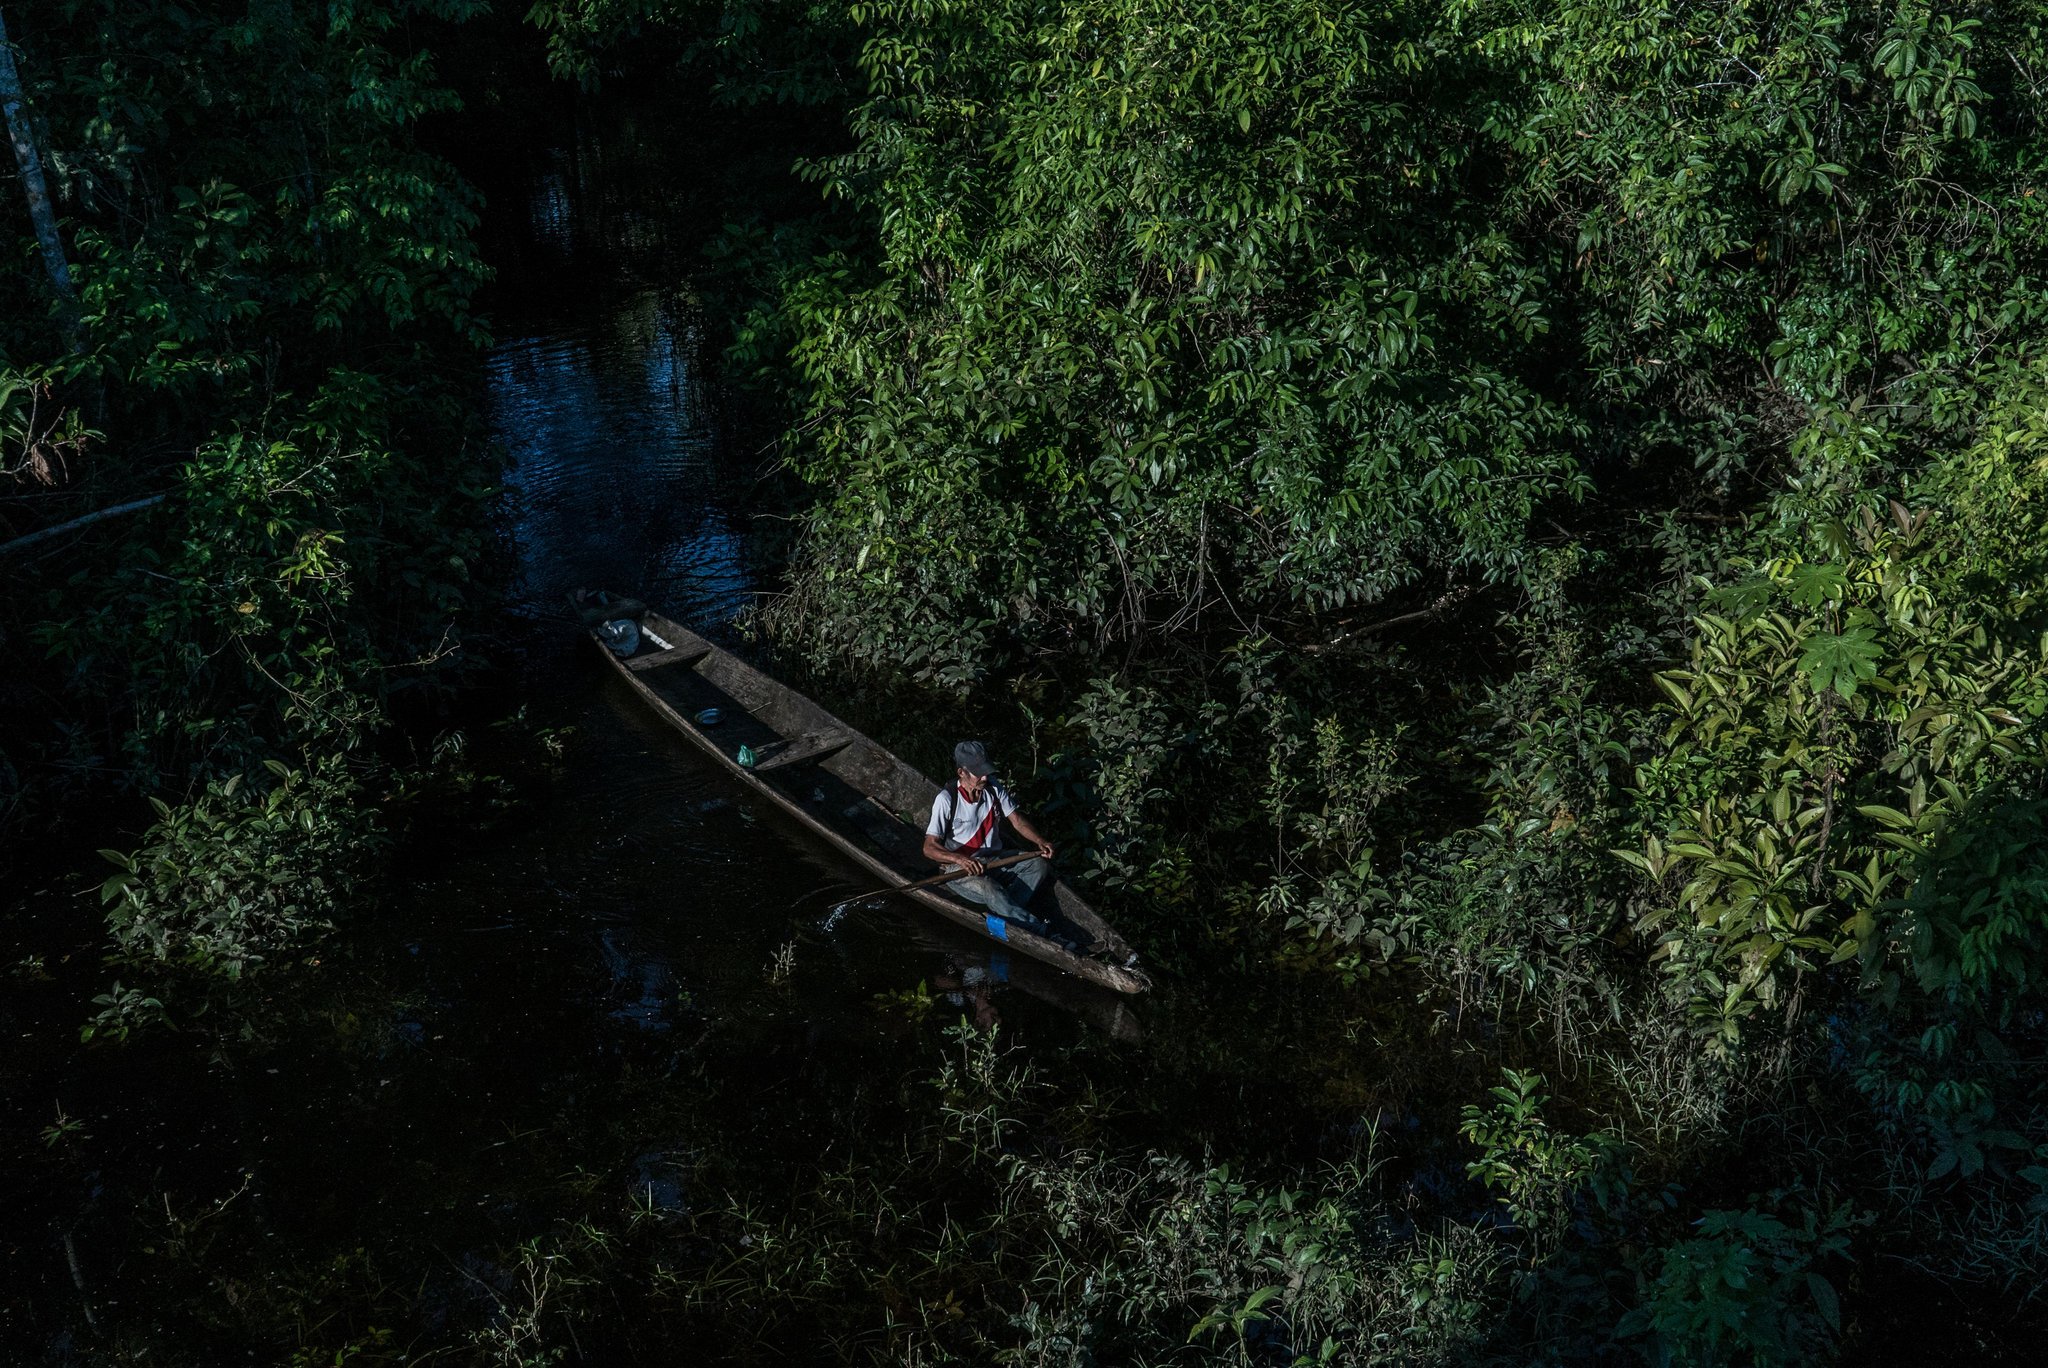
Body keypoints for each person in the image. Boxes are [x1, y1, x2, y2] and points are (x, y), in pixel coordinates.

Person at [922, 740, 1057, 931]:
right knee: (990, 888)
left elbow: (1017, 820)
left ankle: (1006, 911)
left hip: (993, 860)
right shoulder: (946, 799)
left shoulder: (993, 789)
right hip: (958, 869)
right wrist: (959, 859)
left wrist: (1040, 841)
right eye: (979, 773)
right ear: (961, 772)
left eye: (986, 771)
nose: (985, 777)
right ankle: (1039, 930)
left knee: (1038, 865)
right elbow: (929, 847)